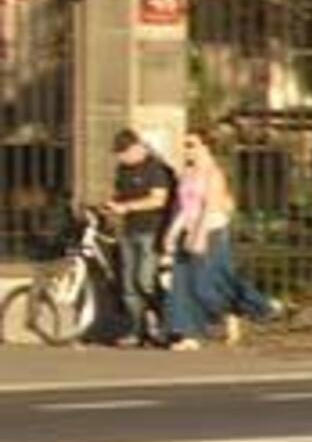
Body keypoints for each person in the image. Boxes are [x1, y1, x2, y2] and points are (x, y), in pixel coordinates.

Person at [161, 129, 279, 349]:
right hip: (188, 229)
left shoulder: (213, 174)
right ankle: (188, 334)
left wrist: (200, 235)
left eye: (191, 144)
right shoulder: (187, 174)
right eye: (185, 145)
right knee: (183, 284)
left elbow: (210, 206)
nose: (187, 150)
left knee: (210, 282)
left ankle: (253, 306)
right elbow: (185, 208)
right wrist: (173, 232)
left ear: (205, 147)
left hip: (210, 230)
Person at [106, 129, 177, 346]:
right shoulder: (122, 170)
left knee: (145, 281)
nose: (121, 158)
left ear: (136, 148)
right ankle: (137, 330)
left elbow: (159, 200)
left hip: (150, 230)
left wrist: (127, 207)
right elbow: (118, 194)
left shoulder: (154, 169)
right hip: (129, 231)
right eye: (118, 154)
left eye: (124, 152)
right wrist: (110, 207)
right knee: (129, 287)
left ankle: (166, 324)